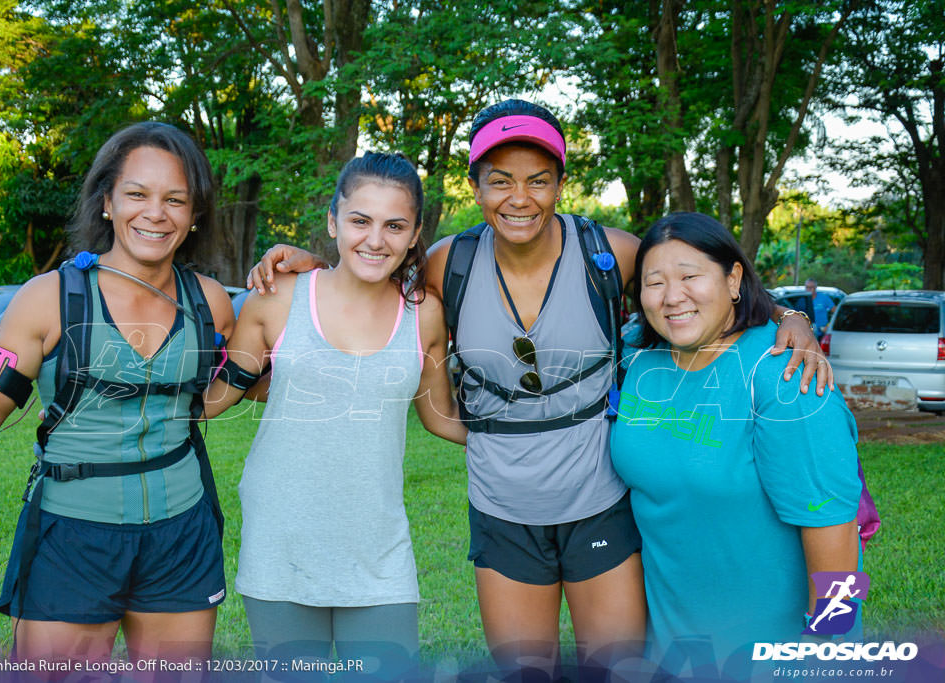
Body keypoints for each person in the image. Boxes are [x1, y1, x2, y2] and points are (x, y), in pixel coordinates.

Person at [245, 100, 830, 678]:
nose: (519, 198)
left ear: (560, 184)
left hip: (598, 503)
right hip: (501, 512)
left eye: (538, 181)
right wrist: (313, 264)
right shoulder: (451, 262)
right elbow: (371, 269)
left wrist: (786, 316)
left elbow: (693, 276)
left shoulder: (609, 253)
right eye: (500, 181)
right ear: (475, 187)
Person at [0, 122, 234, 673]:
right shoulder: (47, 299)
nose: (155, 213)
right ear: (108, 202)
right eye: (137, 194)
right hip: (73, 533)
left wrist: (290, 264)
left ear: (193, 214)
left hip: (182, 531)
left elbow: (239, 377)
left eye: (175, 200)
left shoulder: (209, 302)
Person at [204, 152, 465, 680]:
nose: (375, 240)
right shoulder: (277, 299)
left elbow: (440, 416)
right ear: (333, 221)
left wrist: (535, 434)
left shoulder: (426, 314)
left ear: (415, 233)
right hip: (282, 541)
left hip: (378, 550)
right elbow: (221, 394)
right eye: (360, 221)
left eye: (395, 225)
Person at [610, 212, 861, 677]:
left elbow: (836, 529)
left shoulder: (785, 375)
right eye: (654, 282)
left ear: (733, 280)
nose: (671, 296)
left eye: (690, 276)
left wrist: (828, 650)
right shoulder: (640, 361)